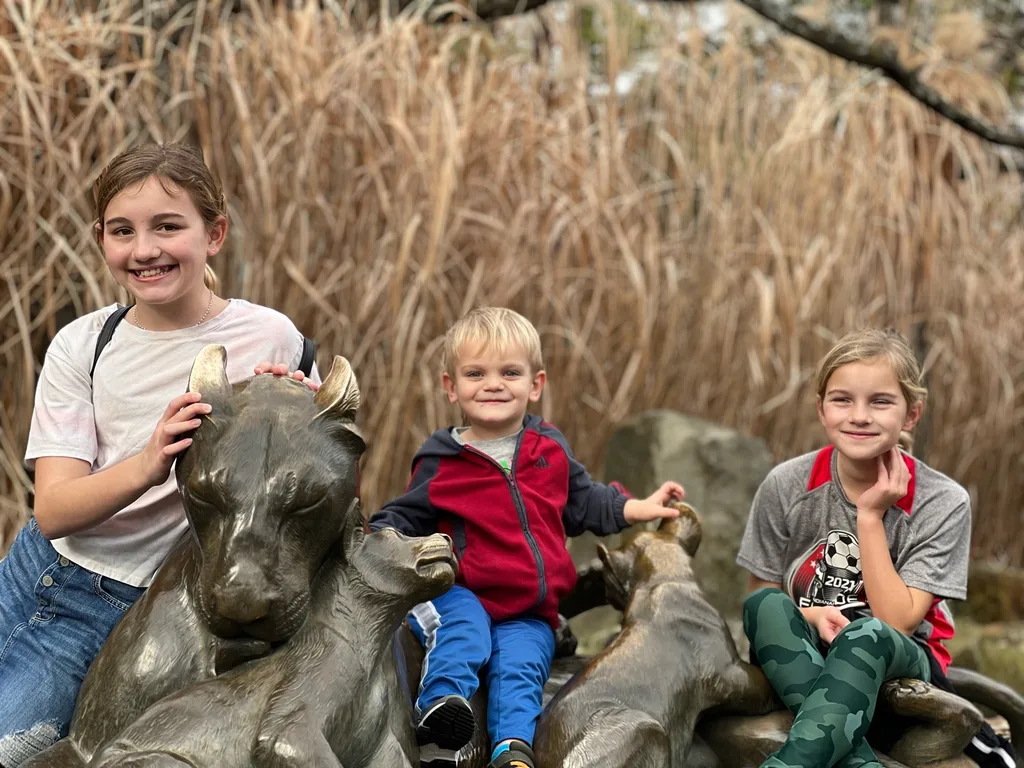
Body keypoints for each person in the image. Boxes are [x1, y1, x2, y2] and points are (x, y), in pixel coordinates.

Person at [0, 143, 316, 766]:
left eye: (168, 226)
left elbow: (296, 465)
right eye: (123, 231)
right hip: (56, 587)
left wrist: (294, 407)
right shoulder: (84, 345)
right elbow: (56, 509)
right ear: (102, 240)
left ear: (215, 233)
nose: (144, 249)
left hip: (169, 606)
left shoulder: (271, 337)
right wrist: (148, 463)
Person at [368, 306, 685, 768]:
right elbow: (402, 516)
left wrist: (638, 507)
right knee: (464, 635)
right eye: (475, 373)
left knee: (521, 668)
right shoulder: (442, 459)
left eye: (509, 373)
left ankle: (511, 750)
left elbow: (584, 501)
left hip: (528, 610)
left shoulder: (548, 448)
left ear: (535, 384)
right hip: (461, 593)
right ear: (450, 387)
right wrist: (376, 541)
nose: (493, 384)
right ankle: (440, 719)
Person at [736, 328, 972, 768]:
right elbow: (759, 593)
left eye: (880, 401)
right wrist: (808, 614)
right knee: (766, 605)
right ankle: (857, 761)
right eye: (842, 399)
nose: (859, 416)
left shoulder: (943, 502)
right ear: (822, 409)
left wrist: (869, 516)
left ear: (911, 414)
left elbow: (896, 622)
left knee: (867, 633)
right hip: (804, 653)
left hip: (898, 659)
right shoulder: (786, 484)